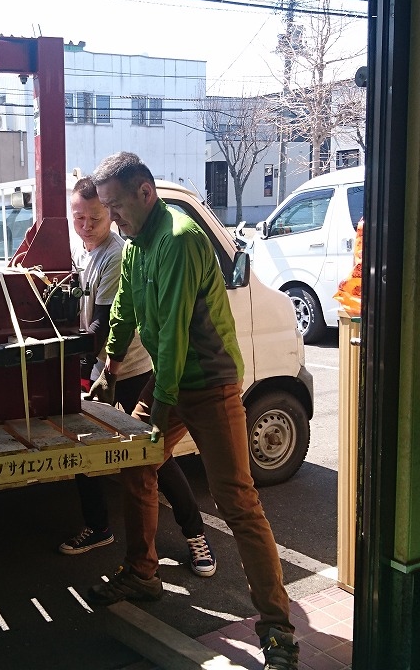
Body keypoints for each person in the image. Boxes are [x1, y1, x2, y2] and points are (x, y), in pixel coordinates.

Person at [85, 152, 300, 670]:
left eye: (116, 206)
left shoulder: (179, 238)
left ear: (145, 193)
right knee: (138, 466)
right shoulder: (136, 245)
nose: (111, 218)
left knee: (237, 501)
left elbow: (176, 336)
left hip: (210, 383)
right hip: (170, 377)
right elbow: (126, 307)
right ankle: (143, 573)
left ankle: (278, 630)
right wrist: (110, 363)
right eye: (105, 208)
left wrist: (157, 416)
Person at [62, 177, 217, 579]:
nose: (87, 225)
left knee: (155, 457)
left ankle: (196, 534)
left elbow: (108, 323)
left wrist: (75, 357)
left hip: (132, 371)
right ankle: (100, 527)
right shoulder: (83, 251)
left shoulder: (119, 253)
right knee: (82, 448)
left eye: (96, 217)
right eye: (79, 217)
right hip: (102, 369)